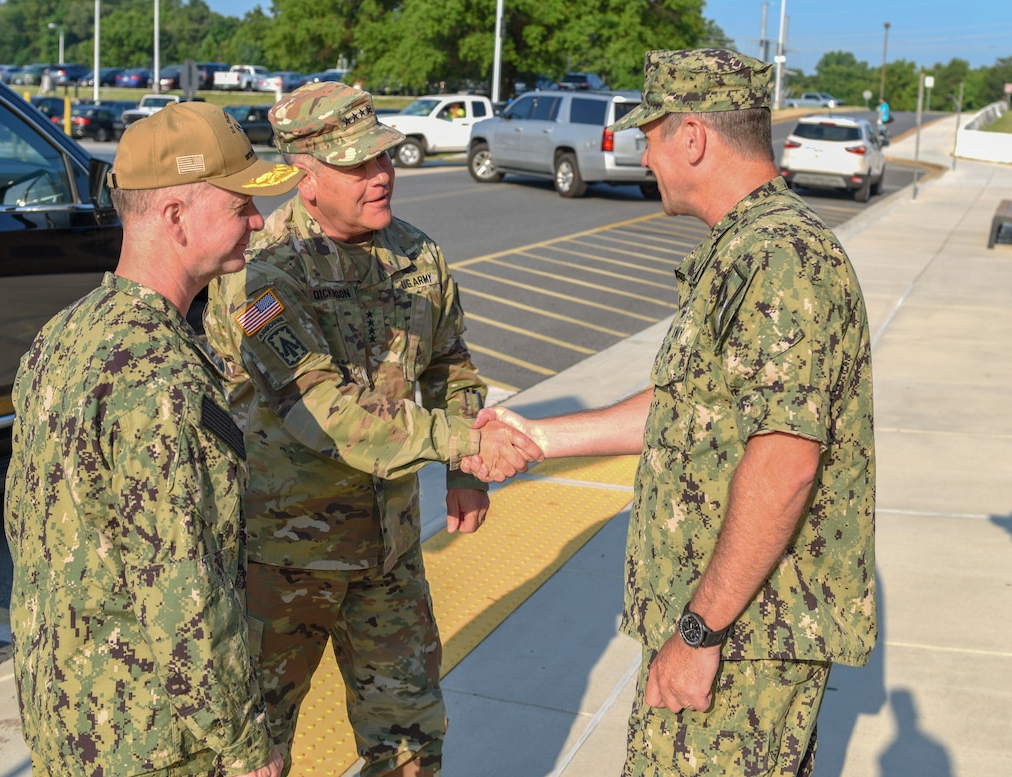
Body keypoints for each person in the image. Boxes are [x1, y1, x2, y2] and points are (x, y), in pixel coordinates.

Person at [463, 49, 877, 777]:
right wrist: (540, 436)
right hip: (729, 634)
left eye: (650, 134)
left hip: (742, 643)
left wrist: (698, 631)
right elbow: (692, 410)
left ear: (692, 137)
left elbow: (784, 464)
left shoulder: (780, 257)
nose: (640, 151)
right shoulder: (745, 248)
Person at [202, 81, 542, 777]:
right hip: (280, 561)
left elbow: (449, 361)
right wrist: (465, 441)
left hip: (385, 554)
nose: (381, 173)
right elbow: (325, 414)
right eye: (358, 164)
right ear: (305, 175)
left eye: (382, 155)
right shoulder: (261, 272)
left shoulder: (418, 256)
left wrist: (463, 471)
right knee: (250, 754)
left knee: (412, 741)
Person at [4, 101, 304, 777]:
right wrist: (245, 747)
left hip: (68, 716)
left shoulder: (65, 334)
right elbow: (184, 591)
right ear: (174, 217)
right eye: (239, 206)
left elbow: (30, 534)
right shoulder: (163, 377)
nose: (257, 222)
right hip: (154, 741)